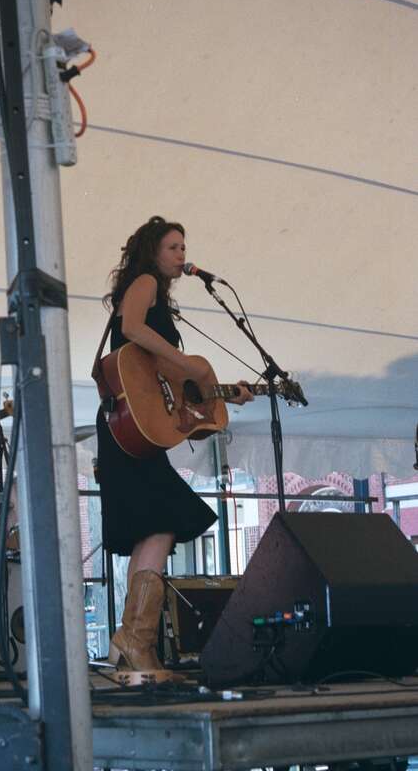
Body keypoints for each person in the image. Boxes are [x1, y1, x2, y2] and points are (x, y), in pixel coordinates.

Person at [96, 216, 253, 677]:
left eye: (184, 247)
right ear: (153, 252)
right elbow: (131, 326)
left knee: (153, 529)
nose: (182, 255)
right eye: (173, 247)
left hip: (138, 427)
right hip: (127, 424)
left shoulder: (160, 296)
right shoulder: (142, 281)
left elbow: (170, 385)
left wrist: (221, 391)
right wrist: (189, 363)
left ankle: (132, 646)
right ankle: (133, 639)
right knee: (162, 523)